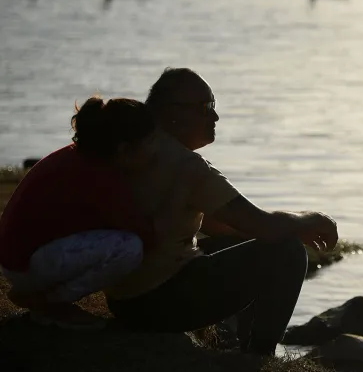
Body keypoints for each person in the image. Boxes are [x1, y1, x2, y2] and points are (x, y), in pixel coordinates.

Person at [105, 67, 339, 356]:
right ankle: (257, 357)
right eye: (206, 108)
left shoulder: (133, 149)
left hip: (122, 300)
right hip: (160, 305)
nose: (215, 116)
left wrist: (280, 227)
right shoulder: (188, 167)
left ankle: (232, 341)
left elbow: (220, 224)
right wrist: (314, 218)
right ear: (171, 113)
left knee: (252, 242)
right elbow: (265, 227)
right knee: (287, 253)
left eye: (213, 106)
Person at [0, 97, 157, 329]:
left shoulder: (81, 157)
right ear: (124, 149)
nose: (155, 151)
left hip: (19, 259)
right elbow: (143, 235)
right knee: (129, 248)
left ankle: (41, 297)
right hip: (26, 264)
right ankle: (49, 304)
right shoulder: (100, 175)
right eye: (150, 143)